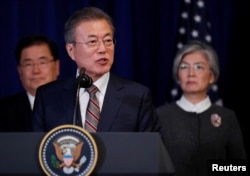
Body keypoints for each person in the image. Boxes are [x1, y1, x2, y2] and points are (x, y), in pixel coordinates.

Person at [32, 7, 160, 133]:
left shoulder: (137, 97)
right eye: (92, 41)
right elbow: (37, 149)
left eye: (108, 40)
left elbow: (151, 150)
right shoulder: (48, 97)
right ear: (71, 50)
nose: (103, 49)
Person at [157, 41, 247, 176]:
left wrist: (211, 168)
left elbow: (239, 167)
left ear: (212, 76)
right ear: (177, 76)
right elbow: (150, 165)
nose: (190, 73)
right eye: (183, 67)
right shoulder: (159, 116)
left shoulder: (227, 117)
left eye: (198, 67)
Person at [0, 35, 60, 132]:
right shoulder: (3, 112)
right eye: (28, 64)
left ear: (57, 67)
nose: (36, 70)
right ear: (19, 71)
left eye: (42, 62)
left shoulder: (74, 105)